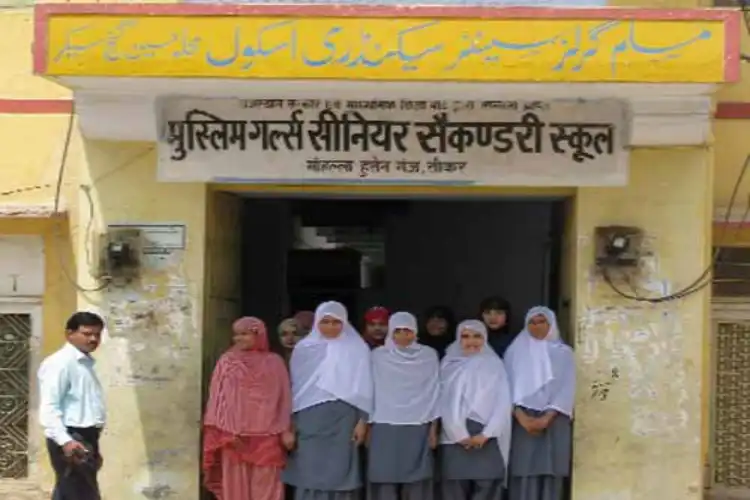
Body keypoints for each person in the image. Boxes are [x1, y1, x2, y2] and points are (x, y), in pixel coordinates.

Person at [283, 301, 374, 500]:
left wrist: (362, 421)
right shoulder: (304, 349)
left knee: (341, 468)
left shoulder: (357, 348)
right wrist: (290, 424)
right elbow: (294, 387)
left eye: (336, 322)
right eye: (325, 321)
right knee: (308, 468)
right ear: (317, 322)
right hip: (308, 417)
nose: (331, 327)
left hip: (344, 418)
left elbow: (365, 386)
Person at [203, 317, 294, 500]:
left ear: (258, 335)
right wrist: (226, 432)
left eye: (244, 334)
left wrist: (285, 429)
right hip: (234, 437)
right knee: (236, 488)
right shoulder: (227, 362)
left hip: (268, 436)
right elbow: (217, 398)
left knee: (267, 488)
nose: (238, 339)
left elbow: (284, 398)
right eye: (236, 335)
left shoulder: (274, 362)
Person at [504, 307, 575, 500]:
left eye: (541, 322)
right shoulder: (514, 352)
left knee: (551, 469)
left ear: (551, 324)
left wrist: (547, 417)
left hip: (554, 418)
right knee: (524, 468)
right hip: (521, 419)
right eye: (532, 323)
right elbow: (506, 386)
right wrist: (521, 416)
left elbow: (568, 386)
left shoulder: (564, 353)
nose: (536, 327)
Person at [368, 312, 440, 500]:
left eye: (407, 331)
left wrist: (433, 429)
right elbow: (369, 391)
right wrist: (367, 426)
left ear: (415, 332)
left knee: (417, 479)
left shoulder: (428, 356)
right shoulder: (378, 356)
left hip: (418, 424)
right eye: (397, 331)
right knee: (384, 477)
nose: (402, 336)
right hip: (384, 424)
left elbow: (434, 392)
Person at [438, 320, 512, 500]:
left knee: (488, 487)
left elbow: (503, 402)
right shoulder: (448, 364)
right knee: (454, 489)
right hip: (454, 438)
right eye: (465, 336)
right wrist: (459, 434)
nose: (471, 341)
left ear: (485, 338)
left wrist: (486, 434)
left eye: (477, 336)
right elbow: (443, 402)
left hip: (487, 437)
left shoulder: (495, 364)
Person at [39, 311, 107, 500]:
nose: (93, 339)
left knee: (71, 492)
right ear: (70, 334)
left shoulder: (84, 364)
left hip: (86, 436)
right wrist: (66, 441)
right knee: (81, 493)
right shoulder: (60, 363)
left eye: (97, 334)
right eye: (87, 334)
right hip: (71, 436)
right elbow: (50, 406)